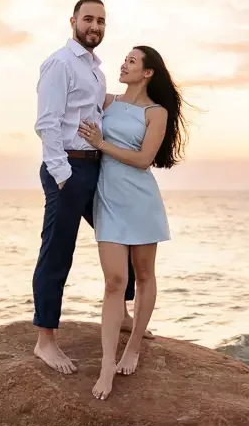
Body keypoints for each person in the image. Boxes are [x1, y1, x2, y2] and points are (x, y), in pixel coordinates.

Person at [32, 0, 144, 375]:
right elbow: (46, 123)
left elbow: (100, 111)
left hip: (96, 168)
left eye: (101, 21)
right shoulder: (60, 64)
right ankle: (45, 340)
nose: (95, 26)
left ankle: (124, 312)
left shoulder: (95, 70)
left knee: (121, 237)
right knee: (57, 253)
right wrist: (62, 175)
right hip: (67, 169)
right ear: (73, 22)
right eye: (88, 19)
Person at [77, 45, 188, 400]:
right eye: (124, 60)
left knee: (143, 276)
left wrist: (102, 143)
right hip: (108, 198)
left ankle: (134, 345)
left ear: (148, 72)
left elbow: (143, 160)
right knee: (114, 280)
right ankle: (107, 363)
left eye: (131, 61)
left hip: (140, 201)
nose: (123, 65)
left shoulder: (156, 112)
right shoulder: (107, 101)